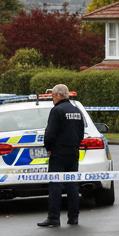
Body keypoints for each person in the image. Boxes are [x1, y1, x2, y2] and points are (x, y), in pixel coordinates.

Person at [37, 83, 85, 228]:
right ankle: (73, 217)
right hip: (73, 153)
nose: (52, 98)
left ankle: (53, 218)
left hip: (58, 153)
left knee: (55, 186)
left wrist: (49, 147)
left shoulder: (57, 111)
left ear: (58, 95)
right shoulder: (77, 111)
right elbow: (81, 132)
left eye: (53, 95)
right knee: (72, 186)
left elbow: (50, 133)